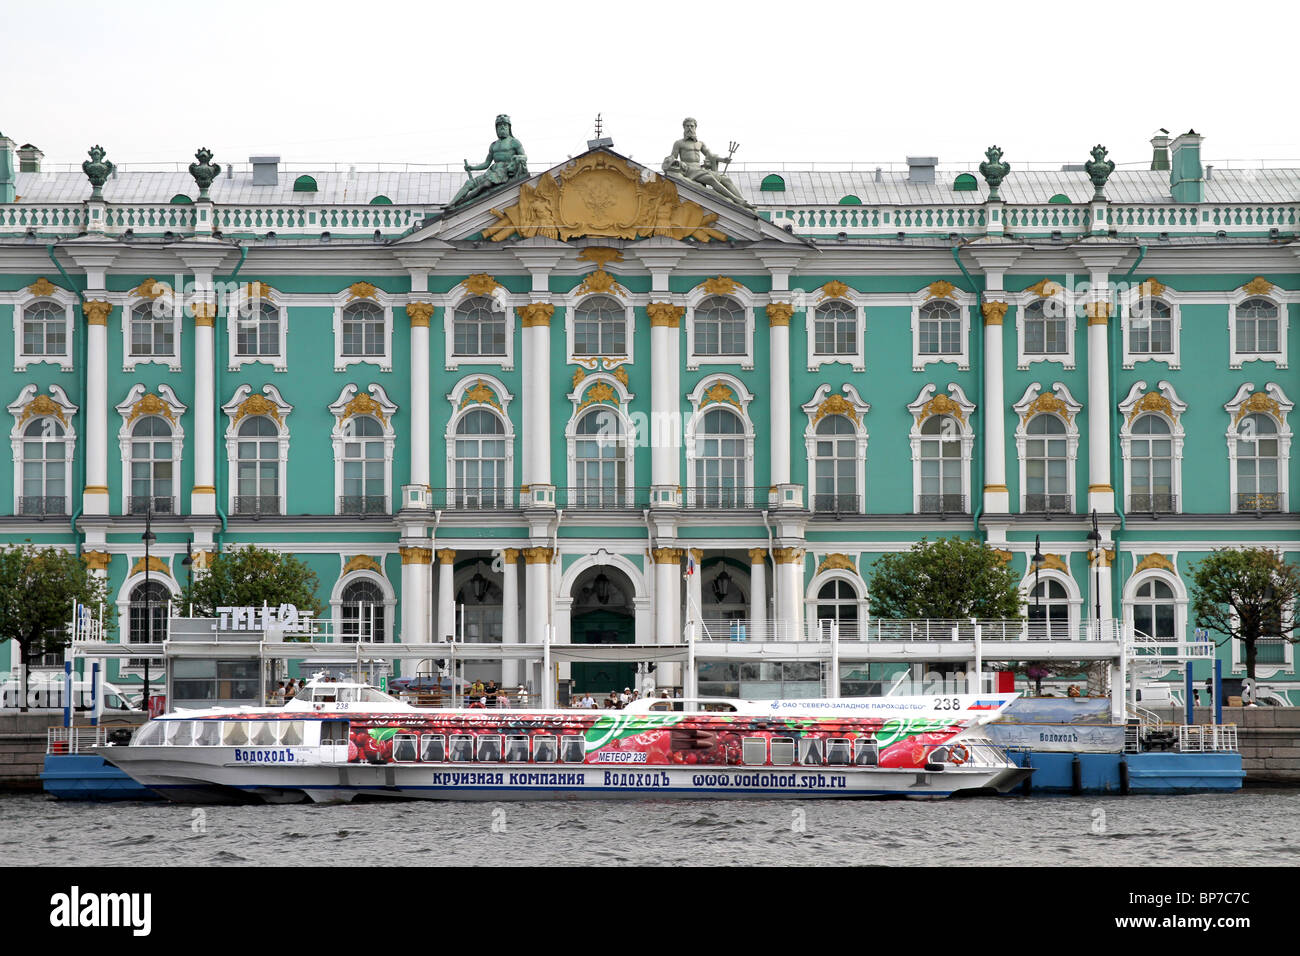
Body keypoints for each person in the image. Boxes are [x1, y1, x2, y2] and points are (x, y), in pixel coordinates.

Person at [662, 117, 754, 208]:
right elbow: (673, 157)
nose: (690, 128)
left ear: (695, 128)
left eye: (692, 126)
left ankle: (743, 203)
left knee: (726, 179)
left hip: (700, 169)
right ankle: (736, 199)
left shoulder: (700, 143)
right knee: (711, 179)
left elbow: (710, 155)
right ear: (684, 128)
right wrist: (671, 163)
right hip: (689, 170)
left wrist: (723, 159)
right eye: (687, 126)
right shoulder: (679, 143)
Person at [449, 114, 529, 208]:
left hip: (504, 171)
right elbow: (487, 163)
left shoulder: (514, 142)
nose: (502, 127)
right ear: (496, 129)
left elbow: (524, 156)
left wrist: (518, 158)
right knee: (469, 183)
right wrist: (472, 168)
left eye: (505, 125)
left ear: (509, 128)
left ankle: (462, 204)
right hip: (492, 171)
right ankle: (452, 203)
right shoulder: (493, 145)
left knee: (485, 184)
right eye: (499, 125)